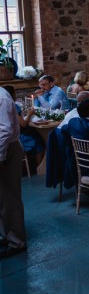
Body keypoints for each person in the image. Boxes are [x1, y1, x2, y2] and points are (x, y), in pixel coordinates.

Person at [0, 86, 27, 259]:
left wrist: (0, 156)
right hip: (4, 149)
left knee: (9, 197)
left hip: (7, 150)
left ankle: (17, 242)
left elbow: (4, 130)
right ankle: (6, 234)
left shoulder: (2, 98)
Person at [3, 85, 44, 172]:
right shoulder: (14, 105)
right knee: (38, 140)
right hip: (17, 138)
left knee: (35, 133)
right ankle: (40, 167)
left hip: (9, 137)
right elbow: (24, 124)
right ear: (12, 94)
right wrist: (30, 113)